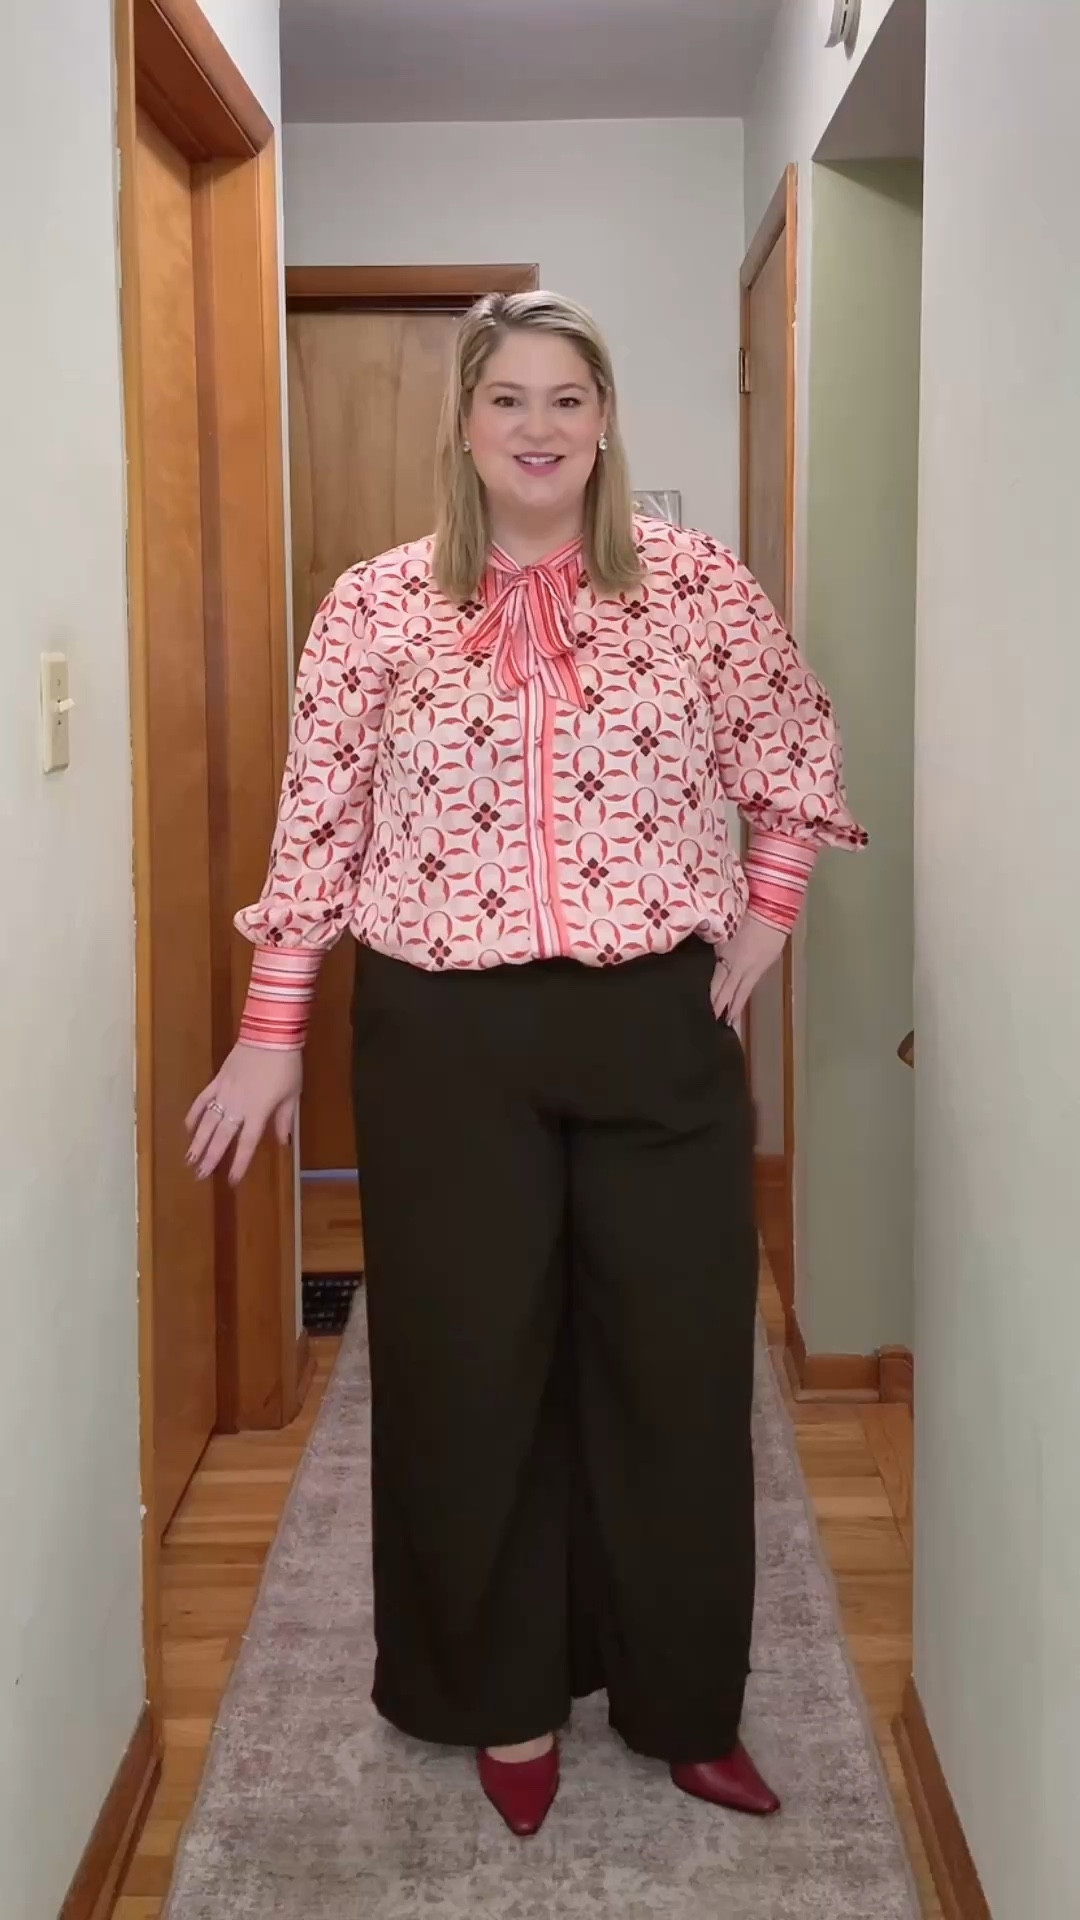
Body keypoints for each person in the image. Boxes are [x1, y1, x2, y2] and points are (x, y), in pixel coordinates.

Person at [186, 290, 865, 1839]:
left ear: (606, 422)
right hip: (446, 1039)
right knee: (469, 1368)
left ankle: (683, 1704)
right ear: (466, 423)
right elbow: (319, 822)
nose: (539, 427)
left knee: (677, 1370)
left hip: (655, 1031)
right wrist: (271, 1033)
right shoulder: (373, 606)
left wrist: (765, 919)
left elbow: (791, 754)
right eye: (509, 400)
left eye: (568, 399)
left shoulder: (697, 586)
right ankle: (500, 1694)